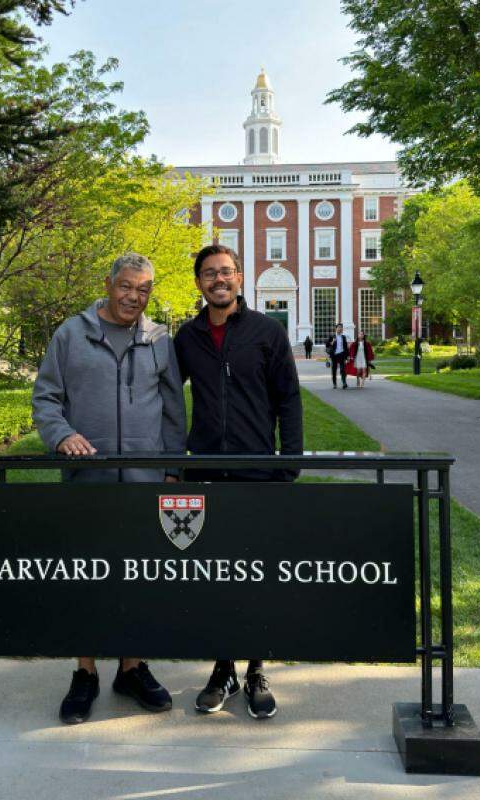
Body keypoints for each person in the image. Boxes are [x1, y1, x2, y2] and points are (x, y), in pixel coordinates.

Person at [32, 252, 186, 725]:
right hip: (88, 481)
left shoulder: (159, 338)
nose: (133, 297)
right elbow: (46, 398)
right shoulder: (70, 334)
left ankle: (132, 668)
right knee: (86, 575)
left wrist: (173, 469)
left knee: (140, 576)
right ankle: (85, 673)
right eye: (126, 287)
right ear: (109, 284)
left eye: (143, 290)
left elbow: (173, 409)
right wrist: (62, 436)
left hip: (145, 482)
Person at [174, 244, 303, 720]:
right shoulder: (186, 338)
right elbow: (168, 400)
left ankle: (255, 668)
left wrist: (289, 461)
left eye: (225, 272)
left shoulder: (267, 333)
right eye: (209, 274)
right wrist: (174, 459)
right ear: (199, 283)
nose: (218, 280)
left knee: (255, 576)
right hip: (207, 474)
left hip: (258, 473)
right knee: (215, 576)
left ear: (240, 278)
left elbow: (289, 399)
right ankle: (223, 668)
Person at [325, 323, 350, 388]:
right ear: (336, 329)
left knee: (343, 369)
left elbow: (345, 347)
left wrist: (347, 356)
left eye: (341, 327)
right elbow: (327, 345)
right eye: (338, 327)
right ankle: (334, 383)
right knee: (334, 370)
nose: (340, 328)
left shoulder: (343, 337)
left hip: (341, 354)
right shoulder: (332, 336)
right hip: (334, 355)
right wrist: (331, 342)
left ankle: (344, 383)